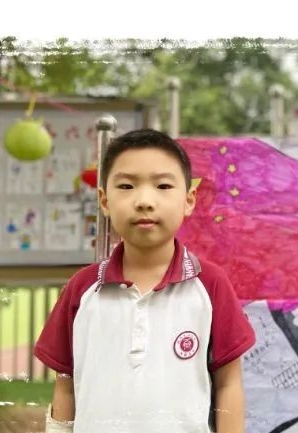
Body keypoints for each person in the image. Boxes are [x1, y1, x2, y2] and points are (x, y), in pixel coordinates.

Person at [34, 129, 256, 433]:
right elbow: (65, 384)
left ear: (188, 200)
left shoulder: (210, 285)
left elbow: (228, 384)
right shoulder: (82, 289)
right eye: (126, 186)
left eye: (163, 186)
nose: (144, 201)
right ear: (104, 200)